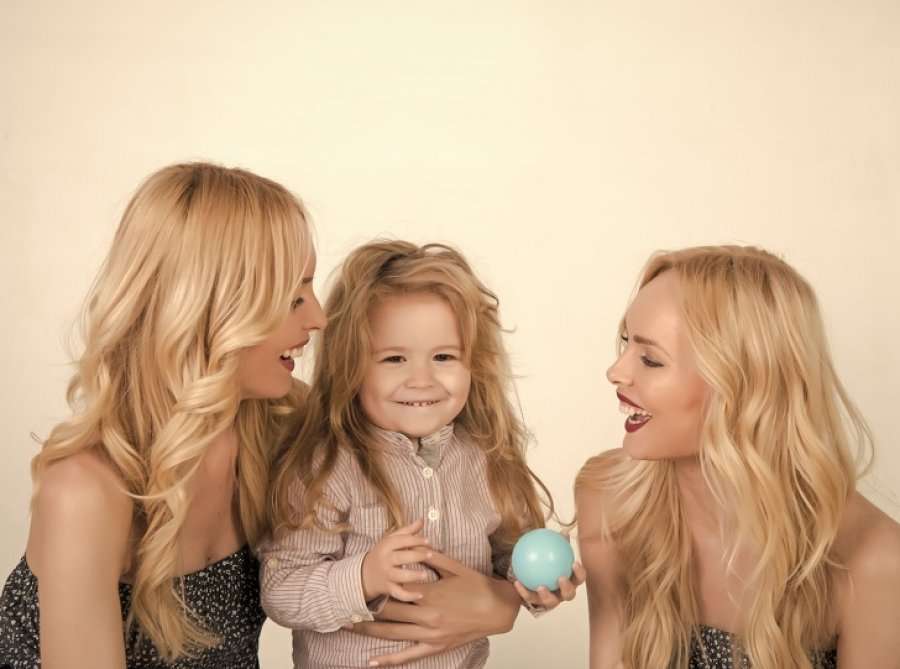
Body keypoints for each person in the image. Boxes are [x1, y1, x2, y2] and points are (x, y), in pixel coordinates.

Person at [0, 162, 327, 668]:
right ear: (209, 308)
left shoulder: (279, 425)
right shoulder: (86, 492)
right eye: (293, 297)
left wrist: (469, 607)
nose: (318, 317)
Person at [262, 239, 584, 668]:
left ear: (475, 364)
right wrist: (362, 577)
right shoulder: (324, 467)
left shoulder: (484, 457)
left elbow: (507, 556)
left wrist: (534, 583)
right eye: (394, 359)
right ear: (350, 366)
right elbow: (281, 590)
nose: (422, 379)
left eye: (444, 357)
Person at [575, 245, 900, 669]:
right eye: (626, 343)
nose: (616, 372)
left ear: (742, 385)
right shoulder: (608, 499)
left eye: (651, 359)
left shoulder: (873, 560)